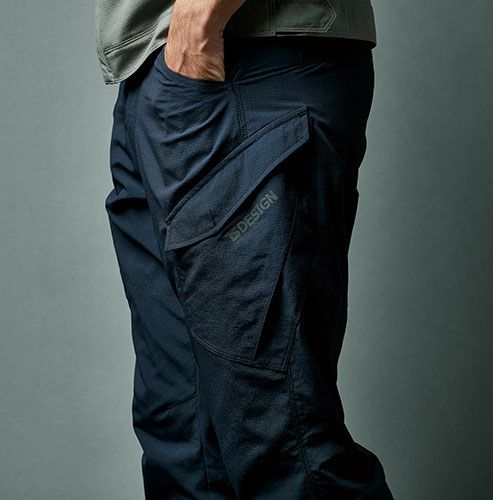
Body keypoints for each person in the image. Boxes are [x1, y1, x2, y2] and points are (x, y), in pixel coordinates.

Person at [96, 0, 395, 498]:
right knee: (182, 439)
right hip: (159, 72)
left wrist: (197, 23)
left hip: (240, 57)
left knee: (280, 441)